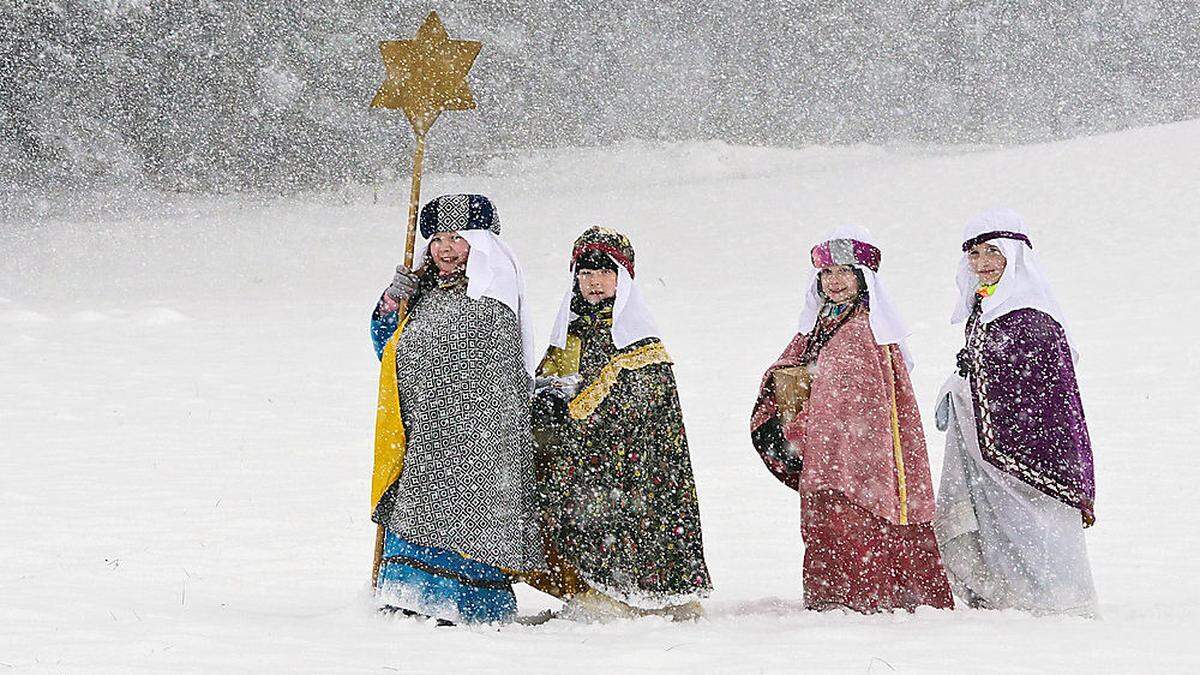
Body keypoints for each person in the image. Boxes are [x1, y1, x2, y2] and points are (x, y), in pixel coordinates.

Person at [750, 225, 953, 613]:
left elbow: (849, 397)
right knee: (829, 518)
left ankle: (868, 592)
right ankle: (835, 593)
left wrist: (804, 420)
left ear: (863, 278)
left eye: (844, 271)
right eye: (827, 273)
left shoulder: (864, 329)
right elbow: (794, 368)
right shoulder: (821, 322)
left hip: (860, 451)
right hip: (826, 449)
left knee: (859, 516)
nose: (835, 281)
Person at [368, 193, 543, 625]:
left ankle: (470, 603)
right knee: (416, 505)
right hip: (426, 430)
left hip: (481, 437)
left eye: (457, 239)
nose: (445, 248)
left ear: (479, 244)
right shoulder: (419, 292)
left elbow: (499, 364)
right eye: (438, 239)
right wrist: (392, 303)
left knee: (475, 512)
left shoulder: (493, 294)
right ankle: (410, 596)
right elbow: (387, 349)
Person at [528, 226, 712, 621]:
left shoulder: (638, 335)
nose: (594, 282)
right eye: (585, 273)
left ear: (622, 278)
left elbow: (642, 399)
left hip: (631, 460)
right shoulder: (570, 330)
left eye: (604, 272)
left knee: (627, 517)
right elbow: (552, 377)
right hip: (581, 458)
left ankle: (638, 591)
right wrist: (545, 400)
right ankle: (587, 586)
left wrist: (582, 412)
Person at [933, 208, 1098, 616]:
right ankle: (1003, 591)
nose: (982, 262)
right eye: (974, 254)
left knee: (1035, 524)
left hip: (1032, 450)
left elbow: (1039, 393)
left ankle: (1054, 600)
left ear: (1014, 257)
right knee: (997, 523)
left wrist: (973, 389)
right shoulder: (983, 309)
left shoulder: (1032, 317)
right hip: (990, 443)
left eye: (992, 252)